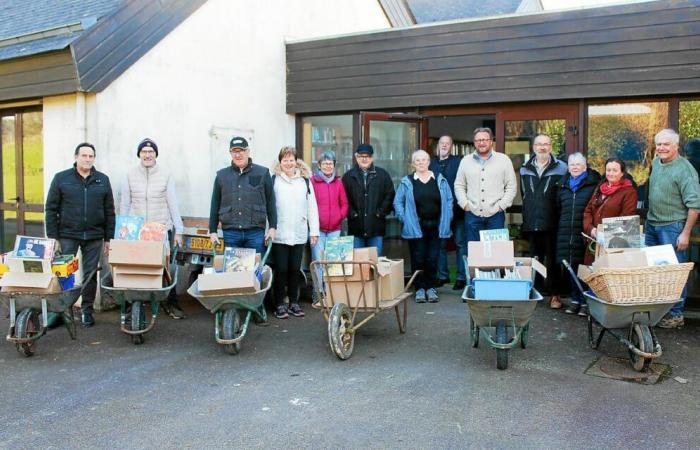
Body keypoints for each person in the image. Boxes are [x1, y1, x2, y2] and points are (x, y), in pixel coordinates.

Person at [45, 142, 116, 327]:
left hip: (94, 236)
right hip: (67, 234)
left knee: (90, 275)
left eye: (91, 156)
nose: (87, 159)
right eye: (84, 155)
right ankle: (60, 312)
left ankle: (87, 311)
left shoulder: (103, 180)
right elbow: (51, 209)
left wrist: (109, 239)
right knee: (63, 274)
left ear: (94, 158)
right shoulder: (61, 178)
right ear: (76, 157)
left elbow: (110, 211)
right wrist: (53, 237)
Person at [120, 138, 186, 319]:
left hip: (160, 229)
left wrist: (178, 230)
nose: (147, 155)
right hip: (138, 230)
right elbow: (125, 204)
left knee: (166, 268)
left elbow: (172, 203)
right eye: (144, 152)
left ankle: (170, 303)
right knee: (134, 267)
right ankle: (130, 304)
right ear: (139, 154)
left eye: (151, 152)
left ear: (156, 154)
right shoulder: (130, 174)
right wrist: (122, 231)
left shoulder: (165, 174)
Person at [645, 129, 700, 328]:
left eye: (666, 144)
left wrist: (685, 233)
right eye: (659, 144)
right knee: (654, 271)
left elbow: (695, 204)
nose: (662, 148)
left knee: (674, 273)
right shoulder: (656, 164)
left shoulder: (685, 170)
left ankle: (676, 314)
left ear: (676, 146)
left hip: (673, 227)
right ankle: (660, 311)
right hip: (652, 224)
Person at [394, 150, 453, 303]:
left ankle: (431, 287)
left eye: (424, 160)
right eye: (417, 160)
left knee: (433, 258)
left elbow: (448, 200)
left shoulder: (439, 179)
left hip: (436, 225)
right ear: (413, 163)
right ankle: (420, 288)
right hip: (416, 226)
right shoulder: (407, 181)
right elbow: (397, 202)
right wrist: (404, 218)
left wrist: (448, 215)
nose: (421, 162)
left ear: (429, 162)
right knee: (418, 258)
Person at [271, 147, 319, 319]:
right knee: (281, 270)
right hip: (279, 234)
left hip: (298, 233)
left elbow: (312, 207)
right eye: (285, 160)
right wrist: (267, 231)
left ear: (296, 161)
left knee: (294, 269)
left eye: (291, 160)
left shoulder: (305, 181)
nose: (288, 163)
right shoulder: (274, 180)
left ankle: (293, 303)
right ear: (280, 162)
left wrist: (314, 231)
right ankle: (279, 304)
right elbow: (269, 208)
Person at [519, 134, 567, 304]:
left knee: (553, 259)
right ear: (534, 148)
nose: (542, 147)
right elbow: (525, 194)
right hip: (532, 221)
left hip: (552, 221)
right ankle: (536, 291)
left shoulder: (562, 168)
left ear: (551, 147)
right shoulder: (525, 168)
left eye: (546, 144)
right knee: (535, 258)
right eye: (539, 144)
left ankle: (555, 294)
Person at [209, 136, 276, 254]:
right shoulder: (221, 176)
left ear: (248, 151)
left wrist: (272, 227)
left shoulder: (263, 173)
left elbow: (271, 201)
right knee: (233, 269)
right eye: (234, 151)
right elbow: (215, 203)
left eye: (241, 150)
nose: (238, 155)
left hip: (255, 232)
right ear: (230, 153)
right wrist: (213, 230)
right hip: (231, 233)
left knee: (255, 270)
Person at [554, 153, 601, 313]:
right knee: (571, 266)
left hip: (585, 232)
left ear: (585, 166)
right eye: (572, 164)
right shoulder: (562, 185)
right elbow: (559, 208)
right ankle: (575, 300)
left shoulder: (593, 184)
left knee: (585, 267)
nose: (575, 167)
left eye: (578, 164)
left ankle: (586, 301)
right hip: (567, 231)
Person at [454, 127, 517, 243]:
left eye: (484, 139)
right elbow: (459, 185)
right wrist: (465, 204)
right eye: (478, 140)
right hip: (472, 214)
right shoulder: (465, 161)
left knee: (496, 253)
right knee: (474, 252)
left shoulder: (504, 160)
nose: (481, 143)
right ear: (474, 143)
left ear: (491, 141)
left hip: (496, 215)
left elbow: (511, 186)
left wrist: (501, 205)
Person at [342, 143, 395, 255]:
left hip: (376, 226)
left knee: (374, 263)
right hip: (356, 227)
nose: (364, 159)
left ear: (372, 157)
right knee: (358, 265)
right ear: (356, 157)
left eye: (368, 156)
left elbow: (390, 195)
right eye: (361, 156)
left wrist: (380, 213)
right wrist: (352, 214)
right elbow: (343, 198)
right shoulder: (348, 176)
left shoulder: (382, 175)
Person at [429, 135, 466, 291]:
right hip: (439, 211)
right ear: (438, 145)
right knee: (440, 245)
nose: (444, 146)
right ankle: (443, 276)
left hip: (458, 210)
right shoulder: (430, 163)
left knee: (460, 244)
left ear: (451, 146)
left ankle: (461, 278)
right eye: (442, 143)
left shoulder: (459, 162)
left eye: (447, 143)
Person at [310, 151, 348, 297]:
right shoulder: (312, 182)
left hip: (335, 229)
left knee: (333, 262)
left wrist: (339, 216)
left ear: (334, 165)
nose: (328, 166)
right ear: (319, 165)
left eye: (330, 163)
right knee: (319, 262)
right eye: (325, 163)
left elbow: (344, 204)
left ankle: (332, 292)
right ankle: (318, 292)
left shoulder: (338, 182)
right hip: (317, 230)